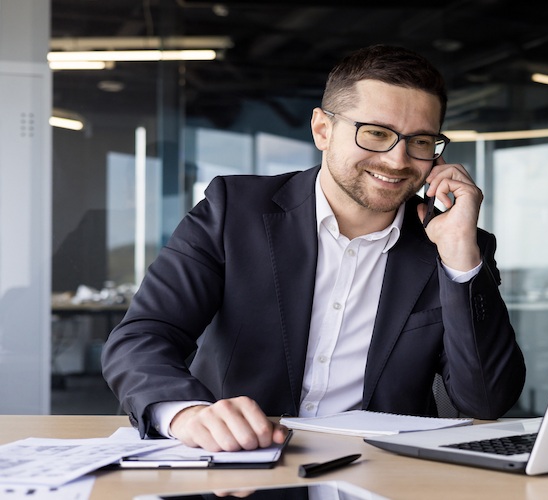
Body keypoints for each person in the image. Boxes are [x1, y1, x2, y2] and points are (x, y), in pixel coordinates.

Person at [101, 44, 526, 452]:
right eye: (376, 133)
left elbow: (485, 401)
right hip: (243, 463)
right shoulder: (234, 212)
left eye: (419, 141)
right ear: (323, 129)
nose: (399, 161)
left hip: (384, 472)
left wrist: (459, 258)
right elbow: (143, 336)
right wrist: (189, 413)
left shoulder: (454, 242)